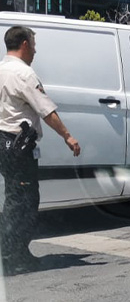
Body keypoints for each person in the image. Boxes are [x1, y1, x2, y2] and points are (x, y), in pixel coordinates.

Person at [0, 26, 81, 275]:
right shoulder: (24, 74)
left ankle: (14, 253)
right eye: (33, 44)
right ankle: (13, 256)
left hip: (3, 142)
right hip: (17, 145)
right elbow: (46, 110)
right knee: (23, 200)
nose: (35, 50)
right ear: (24, 44)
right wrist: (67, 136)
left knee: (14, 197)